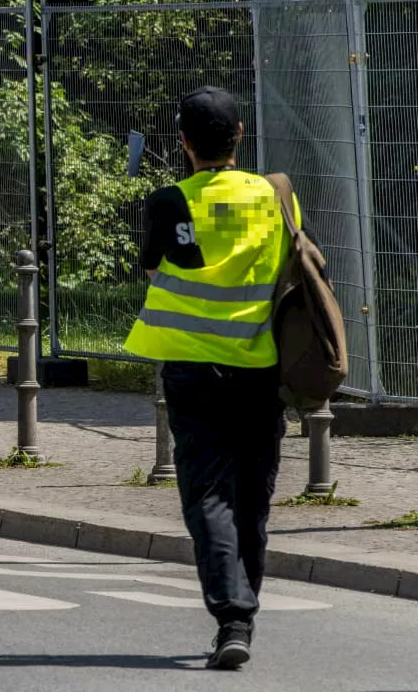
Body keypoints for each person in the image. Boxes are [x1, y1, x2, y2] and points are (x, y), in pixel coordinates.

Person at [124, 86, 296, 671]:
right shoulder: (276, 196)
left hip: (193, 370)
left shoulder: (168, 201)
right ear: (240, 134)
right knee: (253, 498)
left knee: (209, 496)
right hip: (261, 366)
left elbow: (154, 267)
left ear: (183, 142)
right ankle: (243, 615)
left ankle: (232, 616)